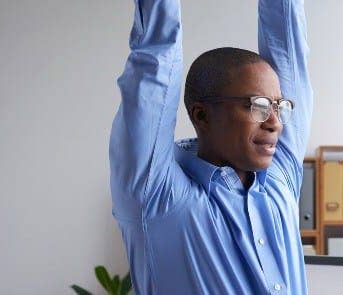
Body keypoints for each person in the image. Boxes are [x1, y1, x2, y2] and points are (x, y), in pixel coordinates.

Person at [109, 0, 312, 293]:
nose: (275, 122)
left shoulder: (280, 177)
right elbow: (156, 60)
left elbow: (288, 47)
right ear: (201, 115)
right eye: (257, 105)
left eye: (279, 107)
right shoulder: (157, 197)